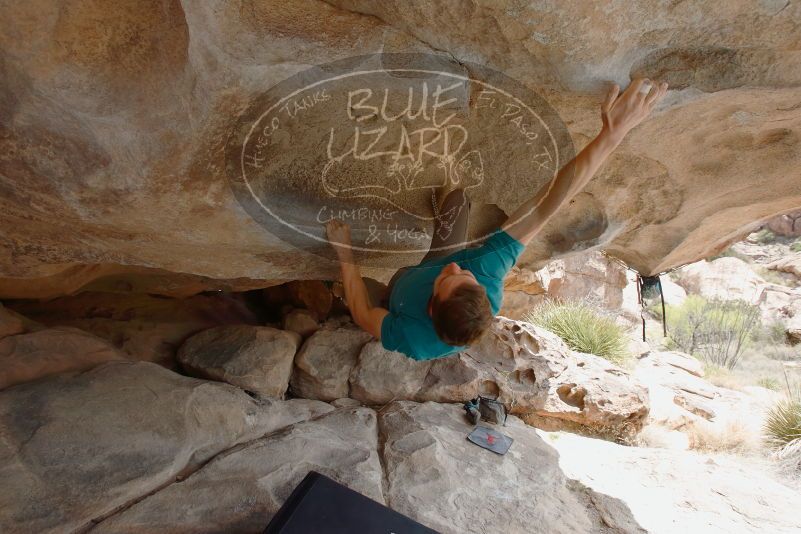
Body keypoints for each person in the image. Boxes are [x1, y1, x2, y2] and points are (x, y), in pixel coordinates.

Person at [326, 78, 668, 360]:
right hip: (430, 267)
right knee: (457, 201)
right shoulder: (485, 272)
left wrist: (345, 253)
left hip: (394, 298)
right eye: (466, 278)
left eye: (451, 280)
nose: (459, 271)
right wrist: (612, 135)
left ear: (432, 308)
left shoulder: (413, 338)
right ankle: (442, 198)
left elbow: (362, 313)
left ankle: (335, 286)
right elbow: (551, 202)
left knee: (353, 288)